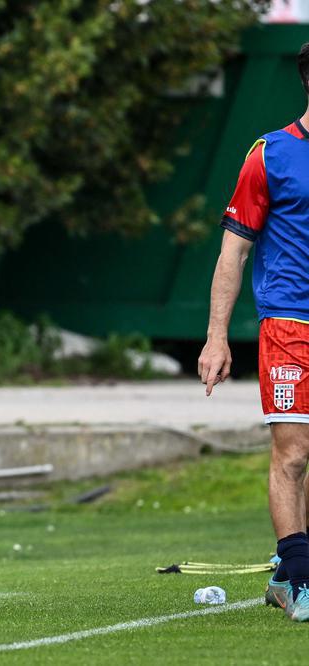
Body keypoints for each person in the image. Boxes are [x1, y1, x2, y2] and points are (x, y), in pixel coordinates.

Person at [198, 42, 309, 622]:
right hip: (289, 322)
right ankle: (296, 579)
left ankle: (295, 566)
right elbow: (233, 251)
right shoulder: (270, 154)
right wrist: (217, 336)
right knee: (294, 453)